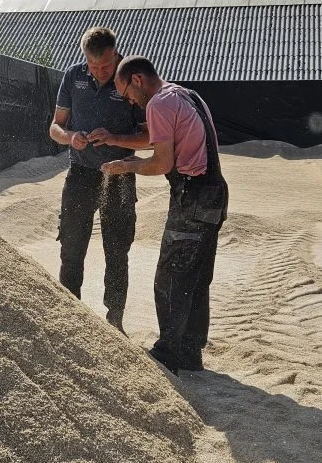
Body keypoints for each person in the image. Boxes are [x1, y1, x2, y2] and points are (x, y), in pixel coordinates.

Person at [101, 55, 228, 373]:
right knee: (196, 279)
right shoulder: (184, 94)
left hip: (193, 196)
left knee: (169, 278)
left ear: (137, 80)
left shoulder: (157, 103)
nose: (131, 103)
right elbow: (157, 137)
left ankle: (169, 352)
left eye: (128, 95)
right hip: (215, 194)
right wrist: (115, 139)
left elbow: (162, 162)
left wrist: (124, 167)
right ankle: (190, 351)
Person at [49, 27, 150, 331]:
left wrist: (115, 137)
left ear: (116, 53)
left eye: (105, 66)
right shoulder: (73, 76)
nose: (100, 72)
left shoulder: (132, 79)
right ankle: (69, 313)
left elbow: (150, 138)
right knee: (71, 245)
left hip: (119, 173)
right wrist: (70, 137)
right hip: (80, 174)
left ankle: (114, 319)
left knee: (117, 249)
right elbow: (55, 127)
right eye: (93, 67)